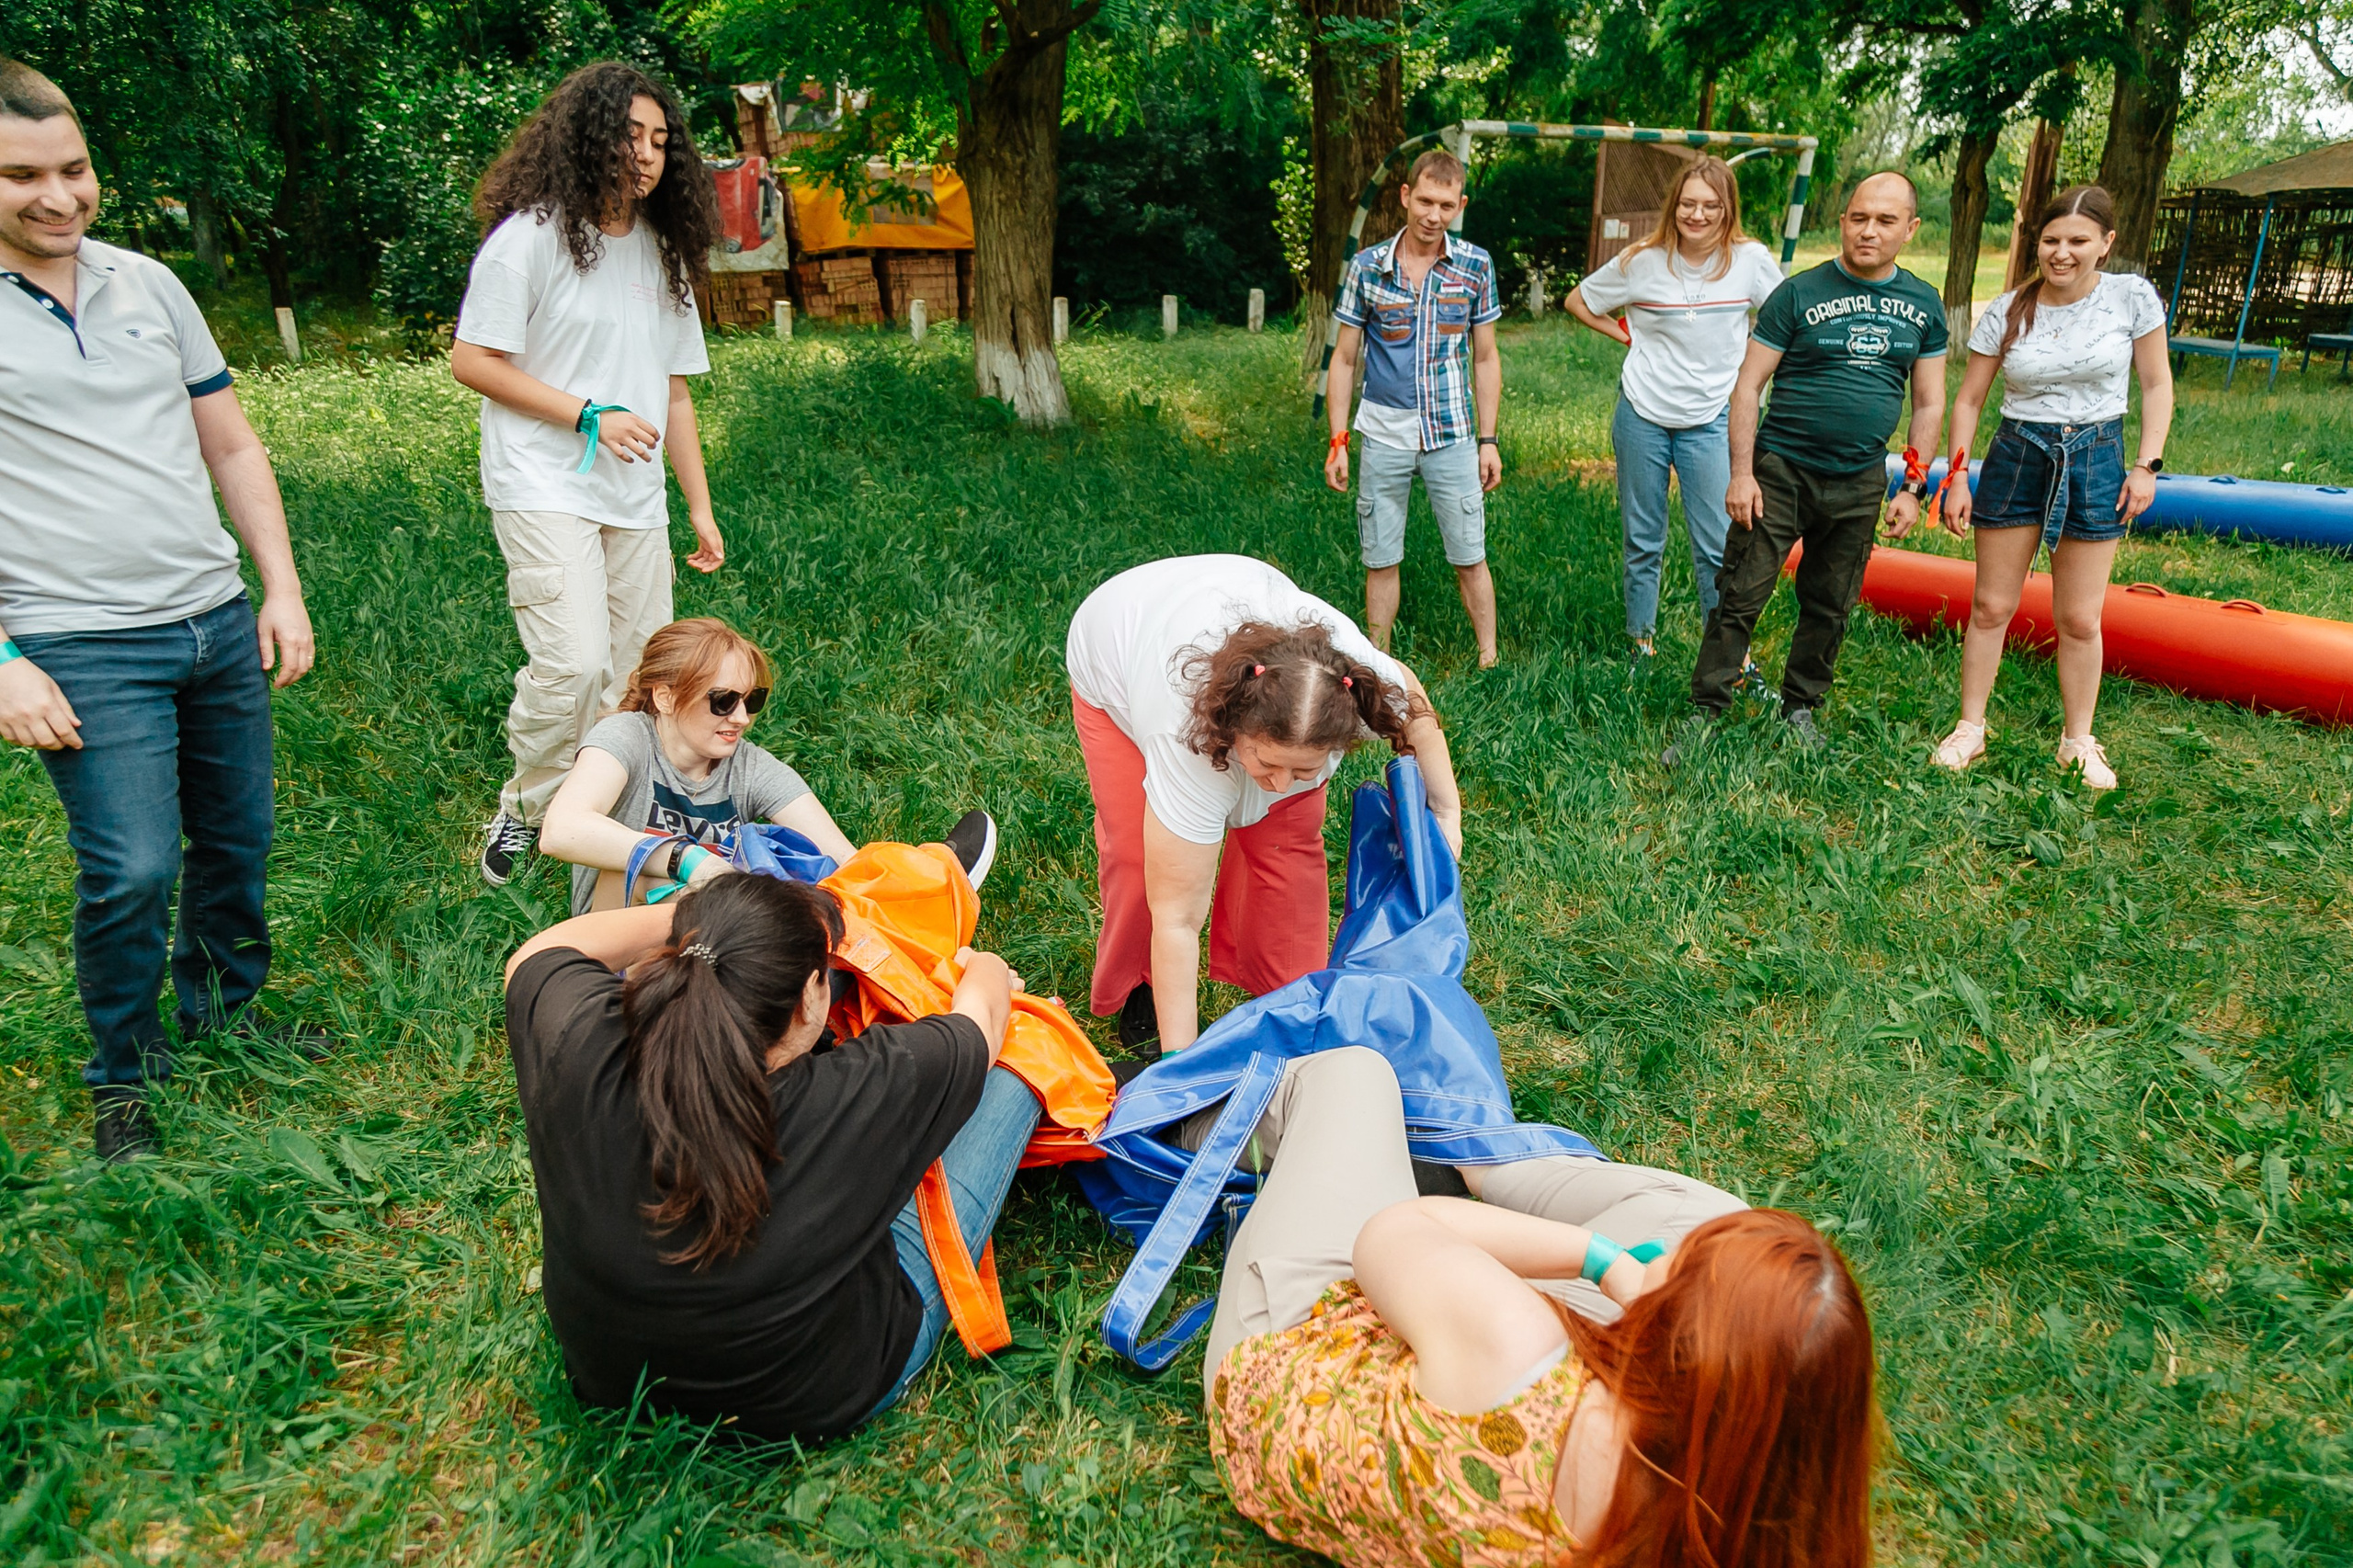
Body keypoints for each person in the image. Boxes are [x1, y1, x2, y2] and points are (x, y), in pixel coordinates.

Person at [0, 58, 324, 1162]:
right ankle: (123, 1074)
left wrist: (276, 585)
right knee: (134, 864)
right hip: (77, 640)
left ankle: (230, 1016)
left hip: (213, 617)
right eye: (20, 175)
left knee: (238, 841)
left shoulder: (150, 283)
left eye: (74, 168)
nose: (58, 196)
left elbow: (229, 440)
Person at [1201, 1048, 1874, 1568]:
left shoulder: (1520, 1346)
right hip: (1503, 1422)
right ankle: (1492, 1167)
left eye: (1688, 1267)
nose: (1675, 1259)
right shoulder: (1751, 1517)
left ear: (1677, 1331)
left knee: (1354, 1075)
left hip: (1290, 1382)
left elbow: (1394, 1233)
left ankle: (1154, 1117)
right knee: (1713, 1210)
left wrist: (1600, 1260)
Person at [501, 872, 1038, 1441]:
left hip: (611, 1377)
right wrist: (987, 965)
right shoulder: (860, 1089)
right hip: (810, 1394)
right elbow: (982, 1023)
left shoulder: (583, 1037)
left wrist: (702, 924)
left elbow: (536, 954)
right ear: (809, 998)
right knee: (1016, 1068)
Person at [452, 62, 726, 888]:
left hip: (633, 495)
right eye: (627, 135)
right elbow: (472, 360)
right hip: (541, 481)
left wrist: (699, 509)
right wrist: (587, 414)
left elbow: (674, 392)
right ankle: (529, 807)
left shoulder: (662, 253)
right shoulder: (527, 240)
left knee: (640, 674)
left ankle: (601, 808)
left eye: (658, 140)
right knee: (570, 665)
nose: (644, 154)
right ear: (584, 138)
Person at [1065, 554, 1463, 1056]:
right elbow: (1178, 921)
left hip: (1238, 605)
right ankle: (1139, 987)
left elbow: (1415, 710)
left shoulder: (1349, 688)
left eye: (1303, 769)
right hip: (1119, 641)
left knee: (1285, 847)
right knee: (1138, 857)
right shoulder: (1181, 733)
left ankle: (1290, 1005)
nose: (1279, 785)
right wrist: (1179, 1070)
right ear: (1234, 727)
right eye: (1267, 763)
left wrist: (1448, 812)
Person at [1667, 171, 1949, 763]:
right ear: (1844, 220)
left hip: (1860, 478)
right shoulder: (1798, 293)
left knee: (1832, 601)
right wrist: (1741, 473)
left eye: (1885, 221)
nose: (1868, 231)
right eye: (1858, 217)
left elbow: (1929, 401)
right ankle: (1706, 711)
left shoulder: (1923, 305)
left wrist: (1914, 485)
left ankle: (1801, 707)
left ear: (1911, 230)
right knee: (1740, 592)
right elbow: (1748, 387)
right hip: (1781, 471)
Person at [1930, 186, 2173, 790]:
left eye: (2077, 241)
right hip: (2018, 455)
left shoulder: (2131, 298)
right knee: (1990, 606)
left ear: (2106, 244)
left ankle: (2078, 742)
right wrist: (1957, 474)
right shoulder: (2009, 307)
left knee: (2080, 617)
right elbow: (1969, 400)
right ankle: (1970, 730)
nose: (2062, 253)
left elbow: (2156, 384)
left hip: (2095, 456)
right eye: (2051, 240)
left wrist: (2147, 464)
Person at [1569, 157, 1788, 660]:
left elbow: (1783, 320)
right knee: (1643, 538)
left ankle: (1727, 655)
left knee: (1718, 544)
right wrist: (1624, 334)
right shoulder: (1642, 259)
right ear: (1674, 205)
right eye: (1688, 203)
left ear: (1727, 208)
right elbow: (1579, 301)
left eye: (1711, 205)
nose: (1698, 214)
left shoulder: (1750, 260)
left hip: (1713, 418)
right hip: (1642, 414)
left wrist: (1754, 365)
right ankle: (1640, 642)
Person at [1322, 149, 1504, 668]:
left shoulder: (1475, 266)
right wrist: (1339, 440)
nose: (1433, 215)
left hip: (1453, 436)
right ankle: (1378, 662)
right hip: (1384, 435)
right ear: (1405, 196)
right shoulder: (1368, 268)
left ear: (1460, 205)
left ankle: (1489, 659)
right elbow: (1344, 358)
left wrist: (1487, 441)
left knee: (1470, 555)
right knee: (1381, 557)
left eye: (1446, 205)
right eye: (1424, 200)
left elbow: (1486, 357)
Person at [540, 618, 857, 915]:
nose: (742, 718)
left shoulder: (748, 765)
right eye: (723, 701)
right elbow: (560, 830)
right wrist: (685, 858)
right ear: (665, 698)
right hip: (612, 935)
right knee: (648, 876)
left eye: (752, 700)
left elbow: (848, 864)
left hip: (716, 926)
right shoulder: (627, 737)